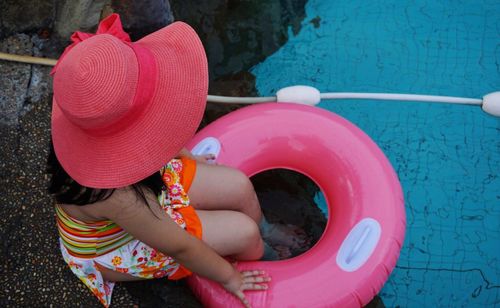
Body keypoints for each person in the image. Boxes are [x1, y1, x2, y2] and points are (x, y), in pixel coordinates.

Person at [47, 13, 271, 307]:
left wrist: (189, 160)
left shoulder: (88, 125)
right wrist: (230, 277)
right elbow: (179, 247)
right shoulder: (116, 194)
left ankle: (270, 231)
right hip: (120, 246)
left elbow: (160, 137)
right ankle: (268, 255)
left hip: (143, 192)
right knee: (244, 233)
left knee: (239, 186)